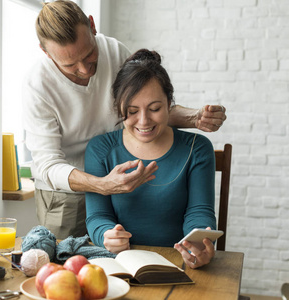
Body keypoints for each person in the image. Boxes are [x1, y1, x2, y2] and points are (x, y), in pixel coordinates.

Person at [23, 0, 226, 240]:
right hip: (63, 193)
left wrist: (195, 118)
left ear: (92, 25)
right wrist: (102, 184)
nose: (86, 69)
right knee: (68, 266)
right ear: (46, 53)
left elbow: (142, 104)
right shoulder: (38, 85)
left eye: (89, 55)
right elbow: (47, 164)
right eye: (70, 65)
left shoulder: (114, 51)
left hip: (116, 173)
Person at [85, 49, 216, 269]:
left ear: (169, 103)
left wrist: (198, 245)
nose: (144, 121)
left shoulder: (197, 148)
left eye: (155, 108)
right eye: (132, 111)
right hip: (120, 263)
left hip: (178, 262)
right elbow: (97, 215)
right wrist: (107, 234)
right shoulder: (100, 149)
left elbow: (199, 211)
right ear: (118, 107)